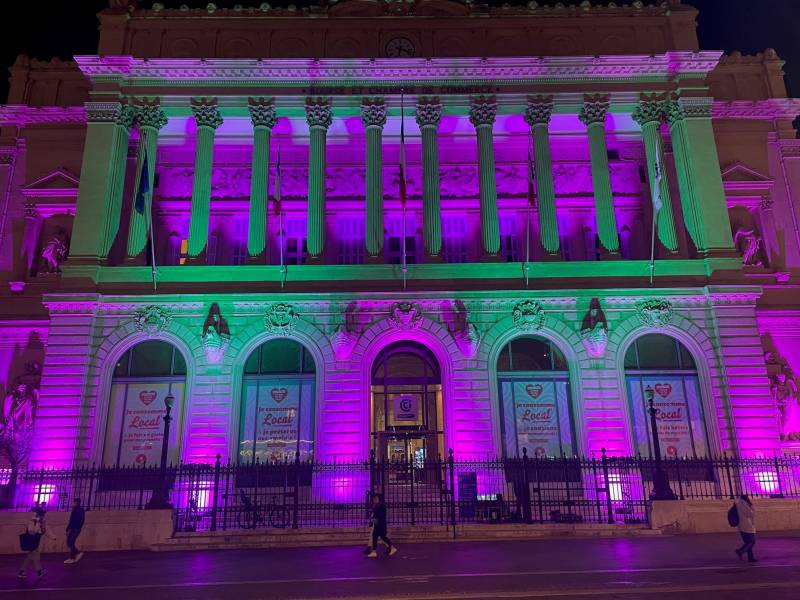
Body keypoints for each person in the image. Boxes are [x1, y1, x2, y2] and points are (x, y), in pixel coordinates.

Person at [18, 507, 56, 579]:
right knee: (35, 557)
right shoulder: (33, 521)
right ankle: (39, 572)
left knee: (30, 557)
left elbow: (46, 530)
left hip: (35, 542)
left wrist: (53, 537)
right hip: (31, 541)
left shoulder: (42, 521)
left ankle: (22, 571)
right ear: (39, 515)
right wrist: (38, 523)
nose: (43, 516)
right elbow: (31, 531)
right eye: (42, 515)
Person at [367, 493, 396, 558]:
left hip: (381, 524)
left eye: (376, 498)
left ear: (379, 499)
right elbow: (375, 515)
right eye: (374, 498)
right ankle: (374, 551)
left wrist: (374, 517)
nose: (375, 500)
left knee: (382, 537)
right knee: (378, 536)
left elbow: (380, 516)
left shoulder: (381, 506)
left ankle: (391, 547)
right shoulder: (376, 505)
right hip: (378, 524)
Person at [735, 494, 757, 563]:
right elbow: (751, 514)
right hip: (747, 526)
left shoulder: (738, 503)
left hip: (742, 525)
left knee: (748, 542)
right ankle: (740, 551)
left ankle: (750, 557)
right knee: (751, 542)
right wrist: (751, 507)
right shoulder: (743, 504)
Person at [64, 497, 85, 564]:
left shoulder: (80, 510)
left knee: (71, 542)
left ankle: (72, 557)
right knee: (69, 542)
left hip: (76, 529)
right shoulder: (75, 509)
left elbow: (80, 520)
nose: (74, 503)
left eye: (75, 502)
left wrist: (77, 527)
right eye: (74, 502)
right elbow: (71, 520)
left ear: (78, 503)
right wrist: (68, 528)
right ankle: (77, 553)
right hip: (73, 528)